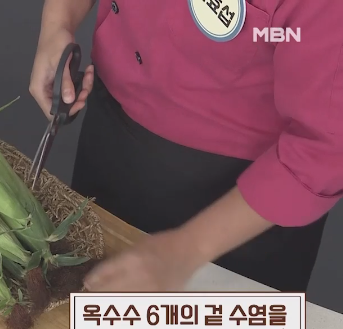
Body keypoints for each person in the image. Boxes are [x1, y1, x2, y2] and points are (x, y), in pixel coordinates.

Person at [29, 0, 343, 292]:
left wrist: (188, 250)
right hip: (110, 134)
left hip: (242, 208)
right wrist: (58, 23)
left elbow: (324, 150)